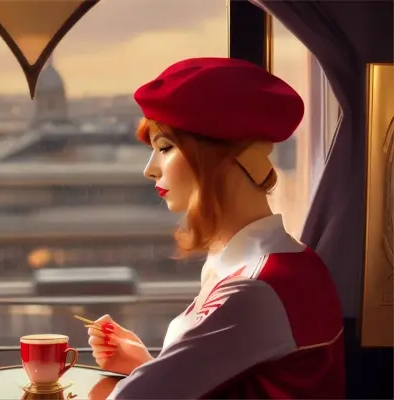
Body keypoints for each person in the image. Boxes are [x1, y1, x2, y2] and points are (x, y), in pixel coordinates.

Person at [86, 57, 344, 399]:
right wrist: (149, 366)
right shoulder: (282, 262)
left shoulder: (254, 289)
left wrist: (148, 375)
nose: (150, 169)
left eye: (165, 148)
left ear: (223, 158)